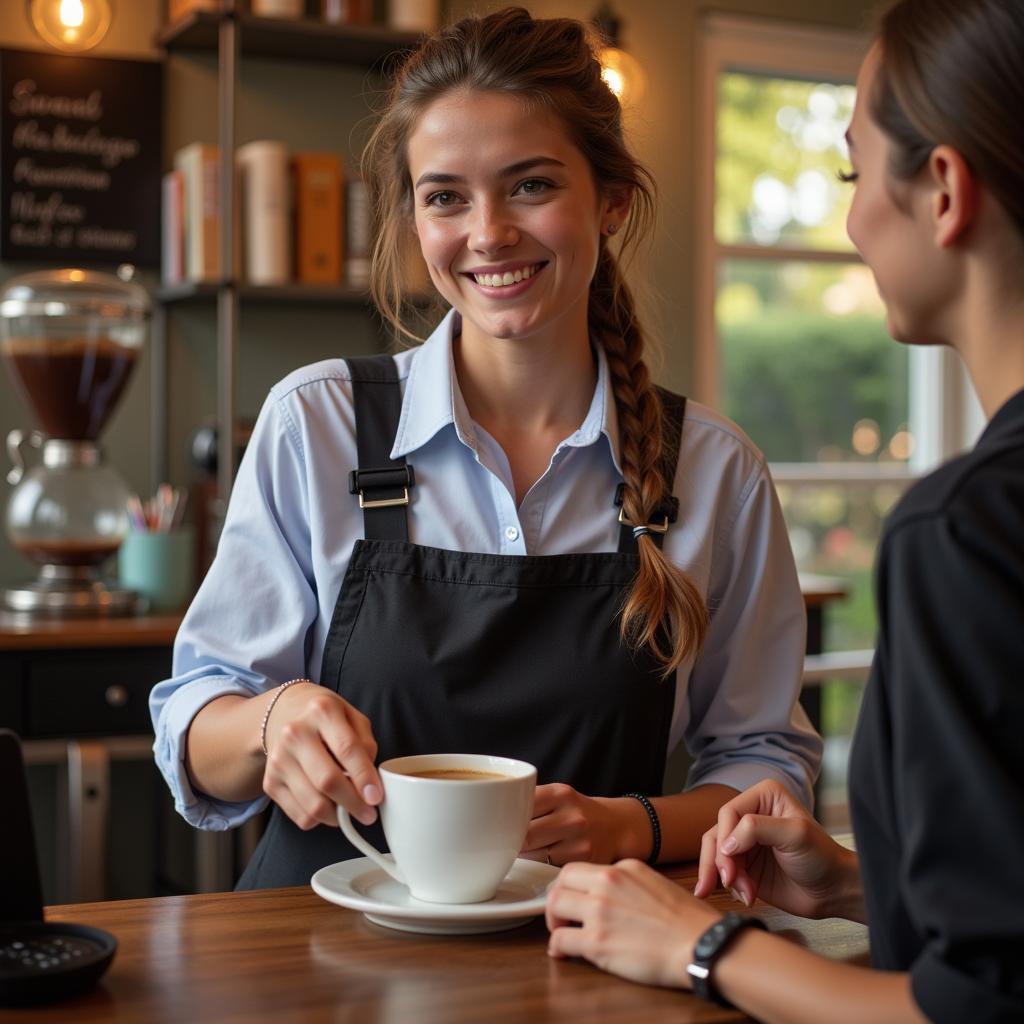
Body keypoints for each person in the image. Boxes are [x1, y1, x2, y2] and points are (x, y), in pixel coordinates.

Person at [149, 7, 820, 890]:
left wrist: (636, 825)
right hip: (315, 952)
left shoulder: (715, 471)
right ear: (415, 218)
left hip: (588, 956)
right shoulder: (315, 423)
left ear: (611, 200)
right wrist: (270, 721)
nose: (489, 231)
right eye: (446, 196)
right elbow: (194, 736)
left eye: (532, 185)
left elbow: (765, 761)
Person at [545, 0, 1024, 1021]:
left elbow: (979, 1005)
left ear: (942, 190)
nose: (849, 220)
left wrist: (701, 944)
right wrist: (848, 879)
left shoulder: (970, 532)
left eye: (853, 175)